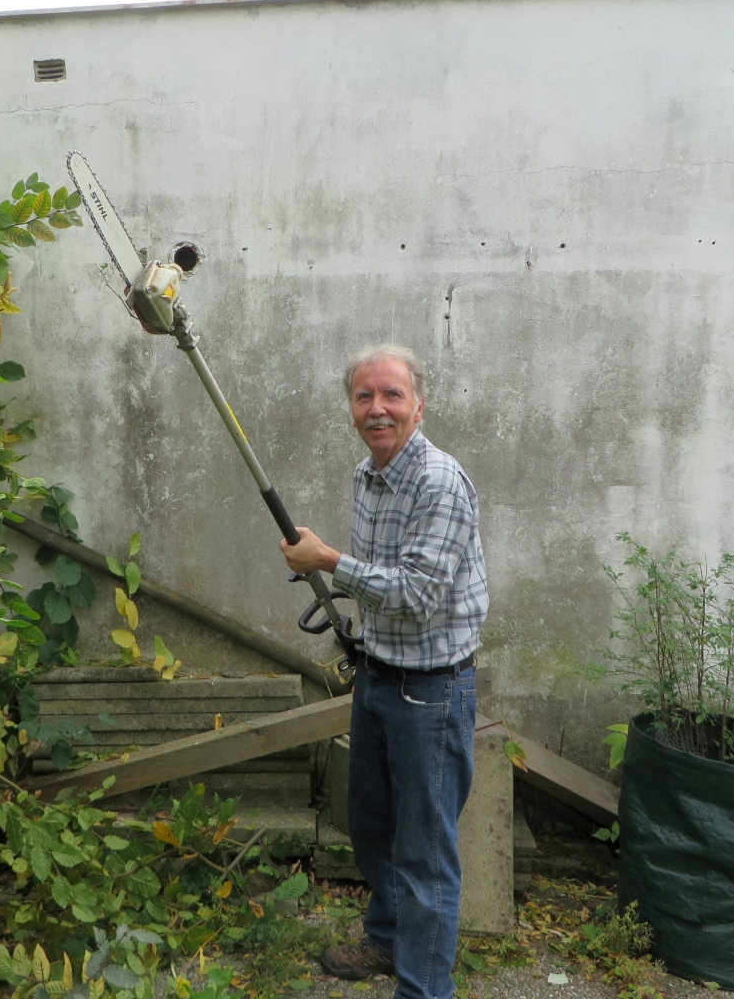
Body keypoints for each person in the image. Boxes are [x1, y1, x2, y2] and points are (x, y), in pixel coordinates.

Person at [278, 344, 488, 999]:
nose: (377, 409)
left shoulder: (440, 481)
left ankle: (425, 987)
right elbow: (379, 583)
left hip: (431, 688)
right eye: (365, 396)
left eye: (392, 395)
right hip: (379, 674)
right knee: (371, 825)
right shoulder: (367, 475)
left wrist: (329, 560)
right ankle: (390, 938)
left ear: (418, 405)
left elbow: (421, 595)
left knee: (425, 850)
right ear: (352, 408)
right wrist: (330, 567)